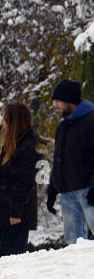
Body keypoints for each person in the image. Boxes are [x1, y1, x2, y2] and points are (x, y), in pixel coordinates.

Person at [45, 78, 94, 244]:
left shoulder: (91, 120)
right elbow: (58, 160)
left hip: (88, 190)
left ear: (69, 101)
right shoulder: (63, 126)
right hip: (68, 193)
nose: (56, 105)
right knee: (73, 246)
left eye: (58, 101)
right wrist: (52, 190)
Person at [0, 103, 40, 257]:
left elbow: (24, 183)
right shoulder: (13, 145)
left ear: (14, 122)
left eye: (5, 119)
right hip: (7, 212)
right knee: (2, 255)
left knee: (10, 257)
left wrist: (16, 212)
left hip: (16, 215)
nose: (1, 123)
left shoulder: (26, 146)